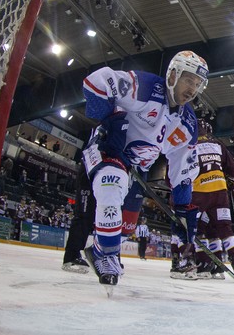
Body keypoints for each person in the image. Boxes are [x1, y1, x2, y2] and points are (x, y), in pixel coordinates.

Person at [80, 50, 208, 289]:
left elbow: (182, 171)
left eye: (198, 84)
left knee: (126, 228)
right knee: (112, 183)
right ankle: (105, 254)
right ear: (173, 75)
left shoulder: (187, 122)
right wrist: (112, 119)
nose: (193, 89)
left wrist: (182, 210)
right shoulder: (145, 87)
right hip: (107, 150)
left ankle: (100, 247)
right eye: (189, 80)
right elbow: (96, 82)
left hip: (138, 169)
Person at [188, 118, 234, 279]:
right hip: (220, 192)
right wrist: (232, 185)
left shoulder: (190, 145)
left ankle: (203, 265)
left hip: (198, 193)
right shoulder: (217, 144)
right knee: (224, 229)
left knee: (198, 231)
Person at [61, 170, 95, 274]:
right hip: (88, 180)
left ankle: (73, 254)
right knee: (83, 217)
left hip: (93, 181)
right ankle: (72, 255)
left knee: (87, 219)